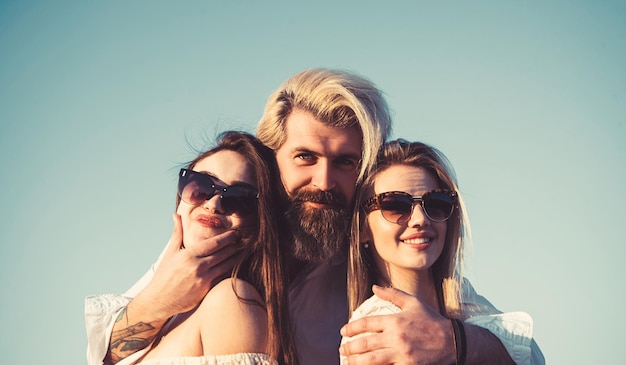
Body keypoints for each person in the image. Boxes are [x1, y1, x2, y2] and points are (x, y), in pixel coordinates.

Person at [86, 68, 540, 365]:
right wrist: (157, 303)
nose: (323, 180)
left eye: (345, 162)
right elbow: (103, 354)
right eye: (305, 156)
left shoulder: (383, 265)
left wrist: (453, 343)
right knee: (232, 302)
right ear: (273, 158)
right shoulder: (226, 246)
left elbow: (526, 355)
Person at [87, 131, 297, 365]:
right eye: (200, 186)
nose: (213, 204)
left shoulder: (233, 301)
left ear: (262, 221)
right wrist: (158, 301)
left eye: (240, 198)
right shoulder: (168, 311)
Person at [341, 139, 545, 364]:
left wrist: (456, 341)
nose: (420, 219)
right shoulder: (374, 329)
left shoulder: (466, 300)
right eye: (395, 205)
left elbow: (532, 356)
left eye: (436, 203)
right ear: (362, 229)